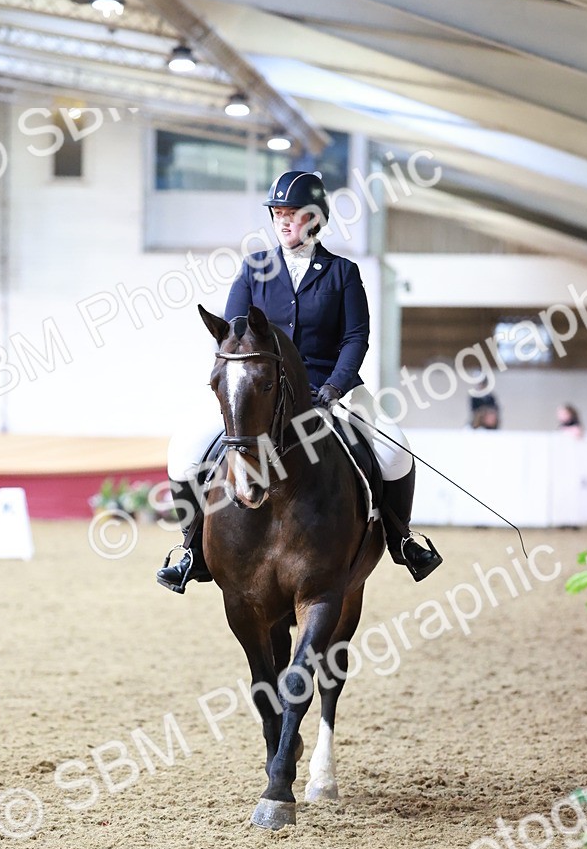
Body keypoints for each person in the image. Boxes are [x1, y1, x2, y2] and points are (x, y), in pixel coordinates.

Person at [156, 169, 443, 594]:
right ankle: (191, 549)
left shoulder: (342, 272)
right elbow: (235, 333)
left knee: (394, 449)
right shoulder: (255, 268)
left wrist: (334, 387)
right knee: (183, 451)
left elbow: (355, 337)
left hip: (331, 385)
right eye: (278, 214)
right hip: (260, 391)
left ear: (315, 218)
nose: (284, 221)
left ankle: (403, 541)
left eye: (293, 214)